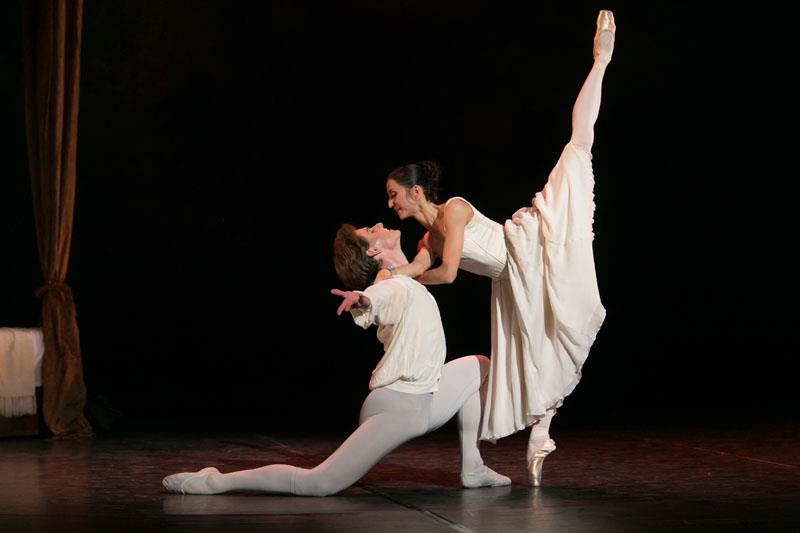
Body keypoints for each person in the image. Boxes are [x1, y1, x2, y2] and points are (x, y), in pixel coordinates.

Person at [374, 10, 616, 486]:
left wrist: (402, 277)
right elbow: (417, 271)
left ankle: (601, 62)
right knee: (537, 352)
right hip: (509, 280)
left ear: (417, 192)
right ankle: (542, 427)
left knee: (576, 150)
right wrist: (384, 280)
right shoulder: (426, 237)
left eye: (394, 194)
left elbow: (442, 275)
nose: (390, 202)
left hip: (525, 248)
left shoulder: (454, 212)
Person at [161, 222, 510, 496]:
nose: (377, 224)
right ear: (374, 251)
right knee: (317, 484)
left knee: (480, 365)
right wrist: (362, 298)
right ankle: (215, 482)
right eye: (371, 231)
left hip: (424, 399)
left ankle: (473, 467)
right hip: (398, 406)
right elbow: (378, 296)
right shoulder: (391, 285)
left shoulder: (408, 280)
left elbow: (427, 257)